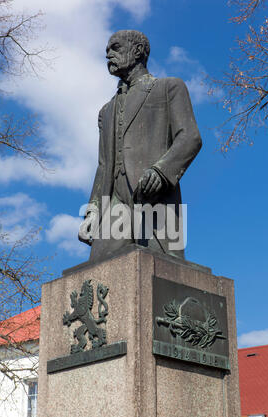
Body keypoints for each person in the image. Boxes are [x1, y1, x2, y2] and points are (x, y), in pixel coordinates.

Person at [79, 30, 202, 261]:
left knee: (166, 271)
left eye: (115, 48)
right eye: (106, 51)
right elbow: (104, 165)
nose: (108, 55)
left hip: (155, 197)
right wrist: (93, 211)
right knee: (96, 271)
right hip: (115, 204)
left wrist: (161, 171)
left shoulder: (169, 88)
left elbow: (190, 137)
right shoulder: (106, 111)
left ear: (137, 51)